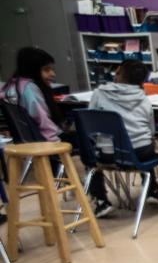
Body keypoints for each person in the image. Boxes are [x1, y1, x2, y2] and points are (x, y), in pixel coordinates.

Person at [2, 47, 114, 216]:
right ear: (33, 69)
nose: (52, 74)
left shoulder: (11, 86)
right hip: (46, 142)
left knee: (78, 137)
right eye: (47, 70)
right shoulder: (31, 89)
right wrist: (57, 142)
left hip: (26, 142)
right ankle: (99, 197)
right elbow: (43, 121)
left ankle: (65, 182)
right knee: (90, 141)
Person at [90, 60, 158, 203]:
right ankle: (151, 190)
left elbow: (91, 124)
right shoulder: (144, 98)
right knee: (147, 144)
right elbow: (151, 130)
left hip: (109, 154)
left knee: (90, 160)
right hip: (141, 152)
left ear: (117, 71)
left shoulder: (99, 94)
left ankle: (101, 201)